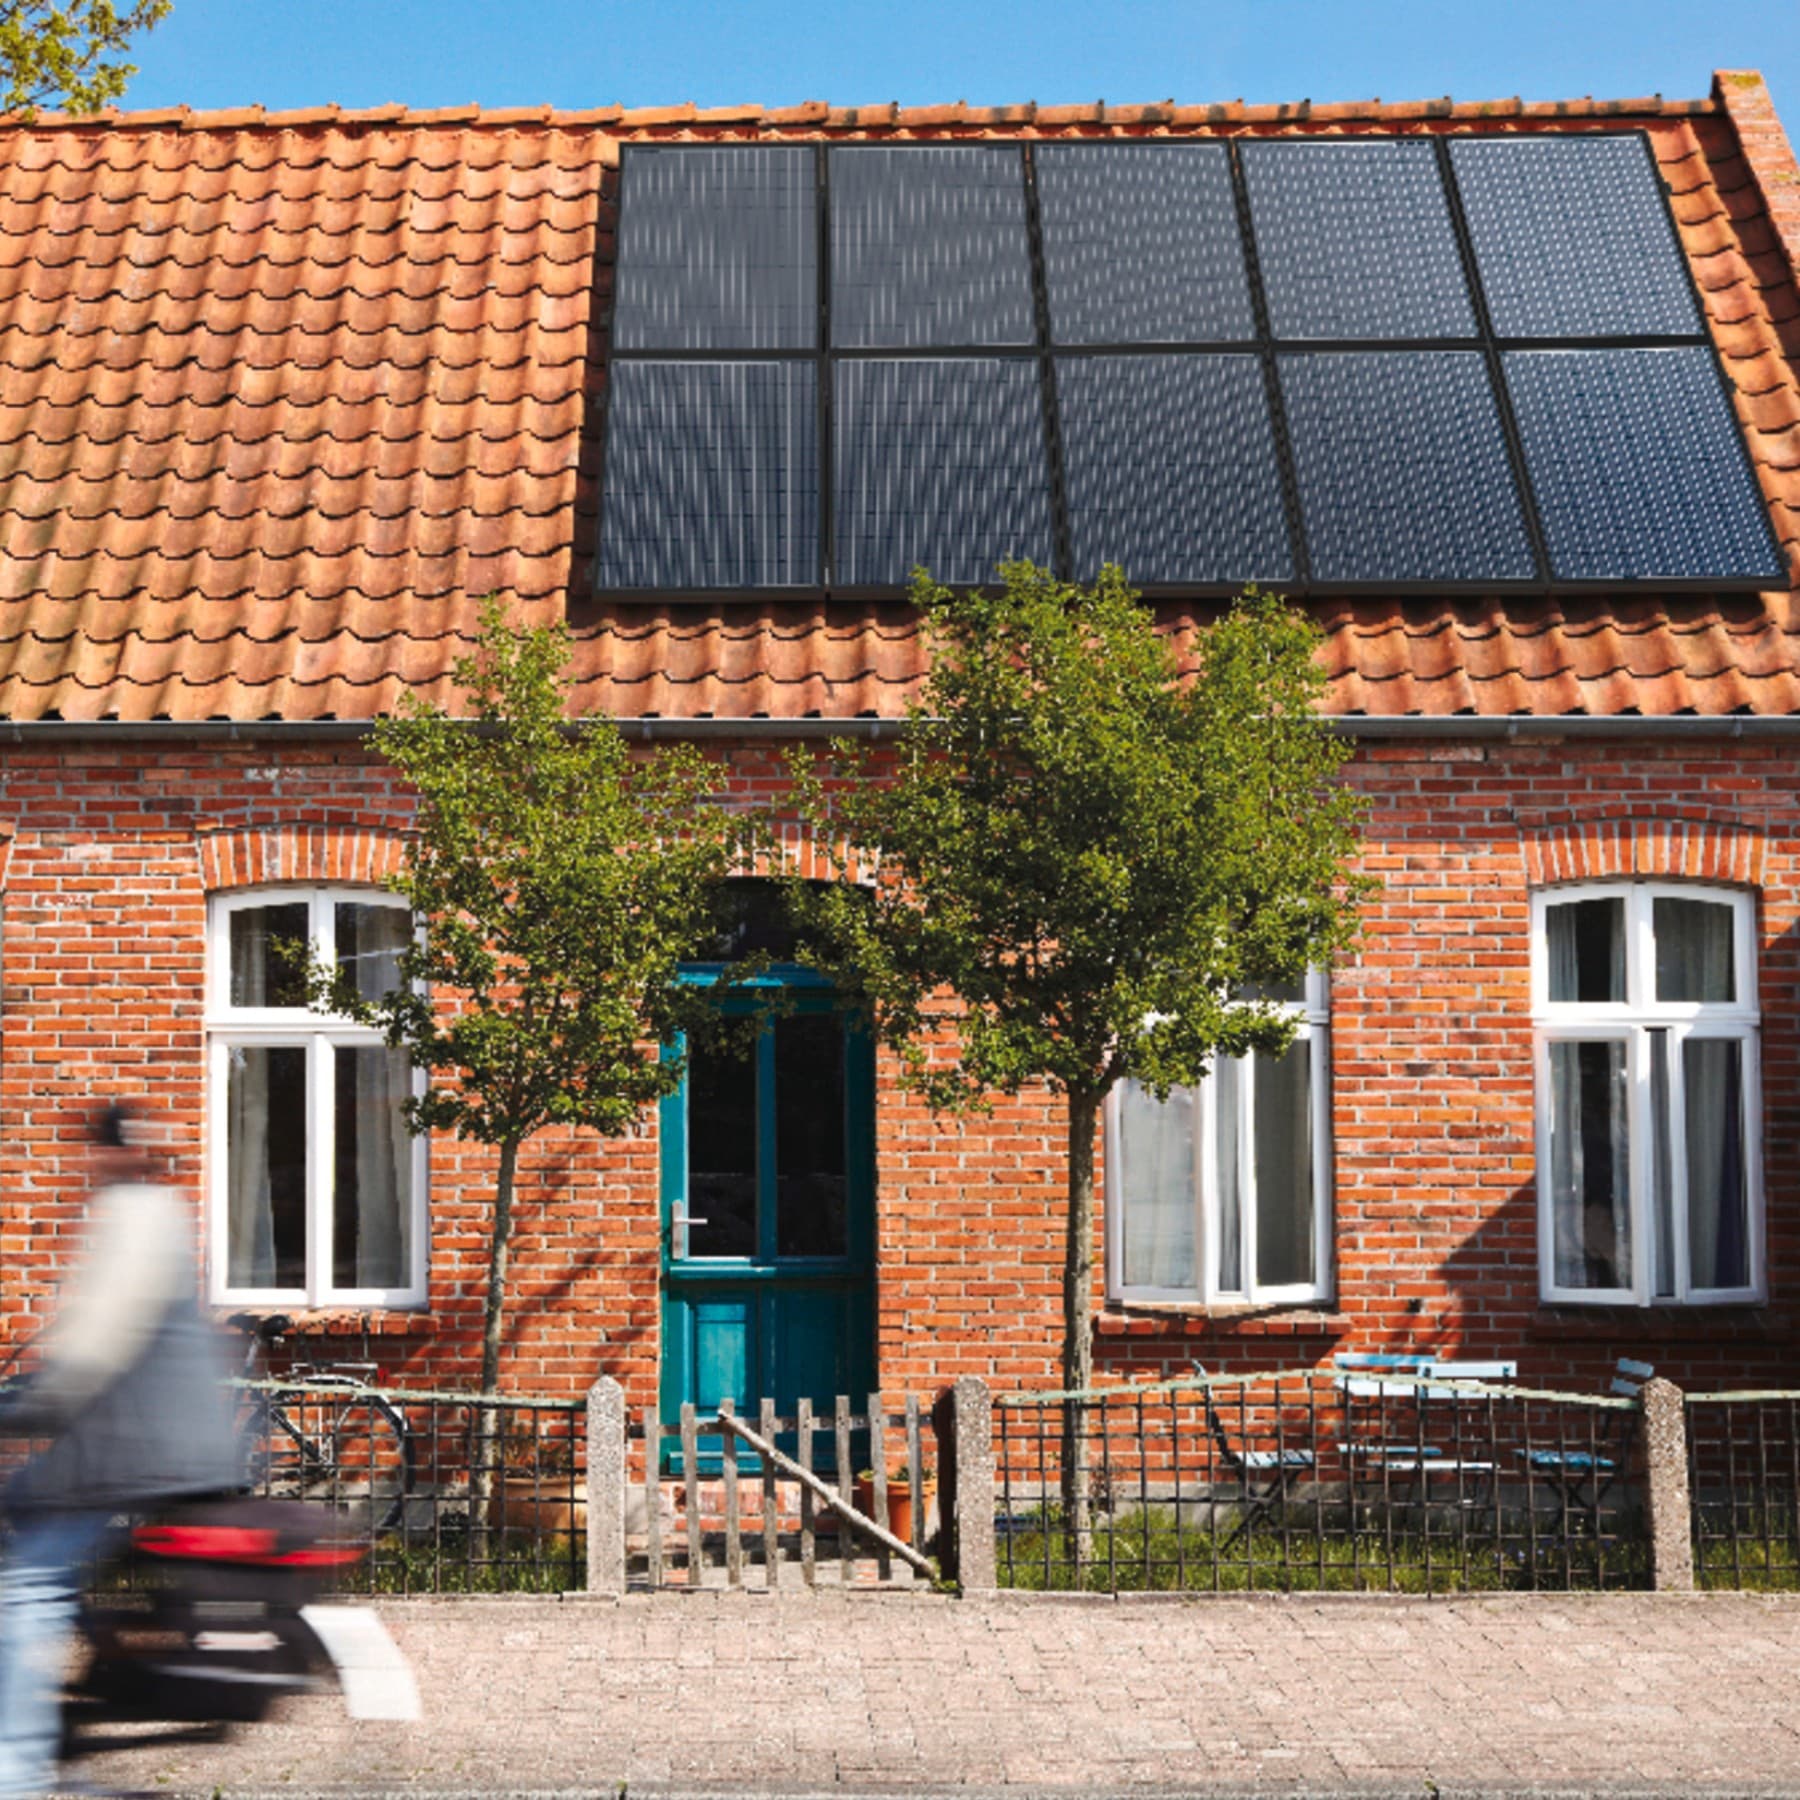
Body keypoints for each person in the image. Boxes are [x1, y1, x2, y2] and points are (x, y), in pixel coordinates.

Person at [0, 1102, 243, 1799]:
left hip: (137, 1449)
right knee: (25, 1515)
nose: (85, 1165)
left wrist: (25, 1406)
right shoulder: (157, 1211)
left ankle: (14, 1773)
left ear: (110, 1154)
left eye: (90, 1152)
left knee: (28, 1586)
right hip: (151, 1443)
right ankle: (75, 1702)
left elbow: (91, 1348)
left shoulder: (133, 1217)